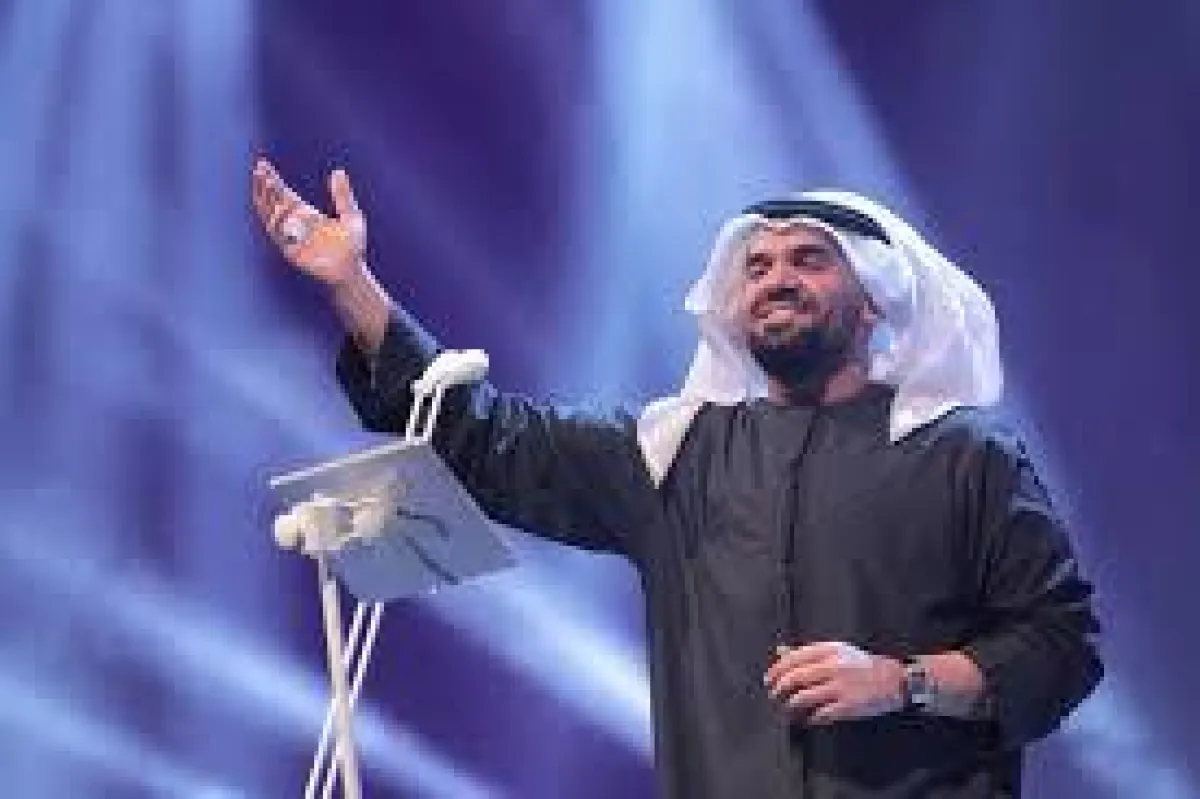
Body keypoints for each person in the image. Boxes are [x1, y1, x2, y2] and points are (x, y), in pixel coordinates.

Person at [251, 159, 1102, 798]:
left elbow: (1062, 646)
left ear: (873, 296)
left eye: (809, 260)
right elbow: (481, 435)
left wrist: (899, 680)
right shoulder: (673, 456)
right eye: (757, 267)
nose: (777, 279)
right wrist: (352, 285)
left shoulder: (966, 456)